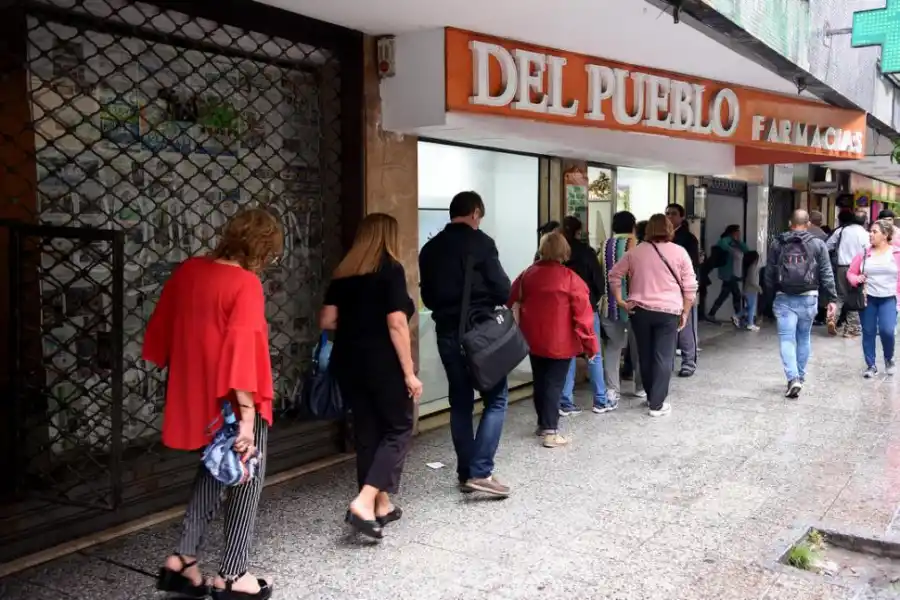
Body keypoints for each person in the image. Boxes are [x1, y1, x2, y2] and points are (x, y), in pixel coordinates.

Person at [143, 208, 283, 600]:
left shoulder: (189, 270)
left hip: (203, 397)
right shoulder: (245, 283)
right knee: (245, 481)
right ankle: (234, 574)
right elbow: (241, 350)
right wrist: (248, 418)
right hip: (237, 400)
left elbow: (166, 329)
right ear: (262, 248)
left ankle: (182, 561)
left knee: (215, 472)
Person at [319, 213, 421, 540]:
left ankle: (383, 505)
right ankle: (364, 502)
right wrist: (409, 372)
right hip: (383, 364)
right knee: (400, 427)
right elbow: (396, 324)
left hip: (348, 363)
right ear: (389, 236)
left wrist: (357, 323)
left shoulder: (344, 273)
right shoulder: (389, 269)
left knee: (368, 433)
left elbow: (328, 320)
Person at [419, 191, 512, 497]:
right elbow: (502, 289)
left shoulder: (429, 249)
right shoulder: (482, 243)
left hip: (447, 333)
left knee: (459, 403)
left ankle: (465, 473)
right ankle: (481, 471)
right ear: (475, 213)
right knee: (496, 398)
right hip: (480, 333)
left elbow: (429, 298)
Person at [509, 232, 599, 448]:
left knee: (540, 381)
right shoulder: (571, 279)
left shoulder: (527, 274)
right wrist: (590, 345)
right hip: (561, 341)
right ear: (564, 251)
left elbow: (511, 297)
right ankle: (551, 431)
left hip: (532, 337)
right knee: (554, 384)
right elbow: (583, 317)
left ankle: (543, 424)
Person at [608, 214, 697, 417]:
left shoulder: (635, 252)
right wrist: (685, 311)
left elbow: (614, 275)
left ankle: (651, 396)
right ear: (669, 229)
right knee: (664, 357)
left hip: (640, 311)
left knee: (645, 355)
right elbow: (690, 286)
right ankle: (657, 404)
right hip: (668, 312)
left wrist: (621, 300)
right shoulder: (680, 252)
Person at [765, 210, 837, 399]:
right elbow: (826, 273)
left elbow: (769, 274)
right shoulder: (818, 244)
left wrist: (769, 297)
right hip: (809, 297)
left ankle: (792, 378)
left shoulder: (777, 243)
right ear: (808, 224)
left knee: (787, 339)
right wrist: (831, 299)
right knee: (804, 337)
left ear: (790, 222)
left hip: (784, 297)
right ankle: (801, 376)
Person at [558, 216, 610, 415]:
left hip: (562, 310)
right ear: (579, 232)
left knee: (568, 354)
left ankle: (566, 401)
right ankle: (600, 400)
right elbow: (599, 282)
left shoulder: (556, 254)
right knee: (594, 353)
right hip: (586, 308)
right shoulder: (586, 253)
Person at [847, 219, 900, 378]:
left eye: (874, 232)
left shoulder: (896, 254)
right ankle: (871, 365)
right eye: (870, 231)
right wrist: (856, 280)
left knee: (887, 330)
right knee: (868, 331)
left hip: (889, 298)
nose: (870, 234)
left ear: (885, 235)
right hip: (867, 298)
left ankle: (889, 358)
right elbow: (851, 272)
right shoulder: (864, 253)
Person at [600, 211, 644, 403]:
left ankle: (612, 389)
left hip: (609, 305)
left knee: (612, 348)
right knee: (639, 347)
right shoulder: (639, 245)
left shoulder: (604, 245)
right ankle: (640, 387)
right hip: (636, 305)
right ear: (633, 226)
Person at [666, 203, 701, 377]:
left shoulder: (688, 239)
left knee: (687, 326)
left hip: (684, 289)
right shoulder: (663, 238)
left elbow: (693, 266)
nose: (669, 217)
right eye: (667, 214)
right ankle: (669, 361)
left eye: (673, 214)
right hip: (666, 290)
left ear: (681, 217)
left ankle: (689, 361)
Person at [827, 208, 870, 337]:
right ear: (865, 221)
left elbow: (827, 246)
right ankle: (851, 328)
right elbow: (868, 253)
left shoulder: (841, 231)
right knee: (855, 297)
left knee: (840, 295)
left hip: (841, 267)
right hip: (857, 269)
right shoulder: (866, 234)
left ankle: (832, 318)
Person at [709, 224, 749, 325]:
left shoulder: (736, 242)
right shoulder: (725, 240)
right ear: (732, 232)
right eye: (737, 231)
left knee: (725, 294)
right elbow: (724, 246)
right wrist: (732, 245)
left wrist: (738, 241)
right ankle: (738, 317)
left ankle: (712, 314)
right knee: (736, 294)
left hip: (734, 273)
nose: (739, 233)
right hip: (727, 272)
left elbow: (746, 250)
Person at [738, 251, 762, 332]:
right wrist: (759, 288)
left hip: (750, 290)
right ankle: (750, 324)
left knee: (749, 307)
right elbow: (752, 281)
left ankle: (737, 316)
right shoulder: (753, 267)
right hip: (750, 291)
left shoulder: (752, 267)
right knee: (751, 308)